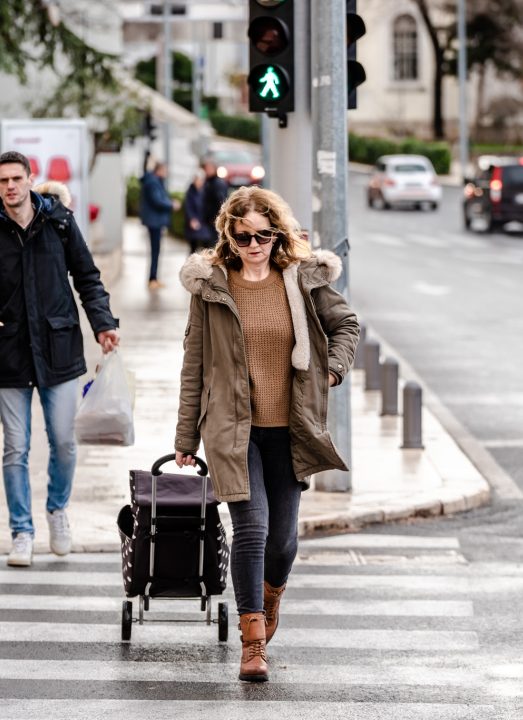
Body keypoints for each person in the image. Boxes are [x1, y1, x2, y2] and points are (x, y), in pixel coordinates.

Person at [174, 186, 360, 682]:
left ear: (276, 233)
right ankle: (252, 642)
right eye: (243, 236)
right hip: (234, 430)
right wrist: (185, 437)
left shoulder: (302, 281)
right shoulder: (212, 288)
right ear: (229, 237)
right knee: (251, 529)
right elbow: (194, 364)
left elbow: (347, 326)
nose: (253, 244)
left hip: (292, 428)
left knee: (281, 541)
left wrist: (332, 370)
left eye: (262, 235)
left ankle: (271, 594)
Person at [0, 151, 120, 568]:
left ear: (31, 180)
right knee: (15, 447)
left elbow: (87, 277)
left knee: (65, 443)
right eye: (3, 181)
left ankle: (56, 510)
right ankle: (21, 532)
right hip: (8, 349)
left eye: (17, 178)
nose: (11, 186)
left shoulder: (60, 222)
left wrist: (103, 324)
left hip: (59, 347)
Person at [139, 161, 179, 290]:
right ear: (159, 170)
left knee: (156, 250)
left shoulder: (153, 180)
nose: (166, 173)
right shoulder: (153, 181)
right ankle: (152, 278)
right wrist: (171, 205)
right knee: (155, 250)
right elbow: (157, 200)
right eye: (165, 170)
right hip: (154, 221)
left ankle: (154, 278)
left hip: (155, 221)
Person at [182, 171, 214, 254]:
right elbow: (188, 205)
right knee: (193, 246)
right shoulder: (191, 190)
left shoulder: (208, 189)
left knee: (206, 245)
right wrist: (192, 219)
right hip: (195, 219)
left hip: (205, 220)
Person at [200, 157, 230, 243]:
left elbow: (221, 202)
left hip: (214, 222)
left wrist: (214, 217)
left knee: (214, 244)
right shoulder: (209, 182)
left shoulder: (217, 184)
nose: (205, 171)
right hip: (211, 221)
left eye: (207, 168)